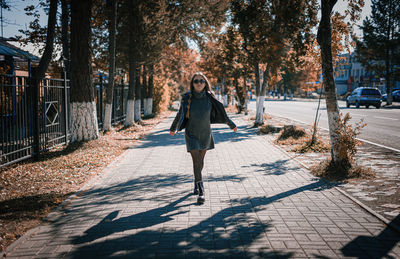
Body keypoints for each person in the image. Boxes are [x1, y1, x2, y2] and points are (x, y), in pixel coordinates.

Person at [170, 72, 237, 204]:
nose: (199, 83)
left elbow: (222, 113)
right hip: (191, 133)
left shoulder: (209, 98)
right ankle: (201, 190)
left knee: (200, 161)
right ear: (192, 84)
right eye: (196, 81)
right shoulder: (187, 98)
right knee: (196, 161)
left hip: (205, 133)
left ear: (205, 83)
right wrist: (173, 127)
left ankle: (196, 181)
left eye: (201, 81)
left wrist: (231, 125)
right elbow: (180, 114)